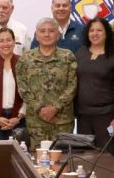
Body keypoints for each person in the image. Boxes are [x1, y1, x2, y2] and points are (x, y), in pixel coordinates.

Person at [18, 18, 77, 148]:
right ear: (36, 35)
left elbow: (71, 86)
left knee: (62, 161)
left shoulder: (68, 56)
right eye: (42, 31)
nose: (46, 34)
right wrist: (40, 108)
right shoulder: (26, 58)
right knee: (37, 161)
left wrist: (55, 107)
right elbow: (23, 88)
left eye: (51, 31)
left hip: (62, 122)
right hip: (36, 122)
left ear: (58, 35)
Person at [74, 17, 114, 158]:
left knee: (107, 158)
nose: (95, 33)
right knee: (84, 158)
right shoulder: (80, 53)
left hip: (106, 116)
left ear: (107, 33)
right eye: (92, 30)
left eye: (99, 30)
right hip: (83, 116)